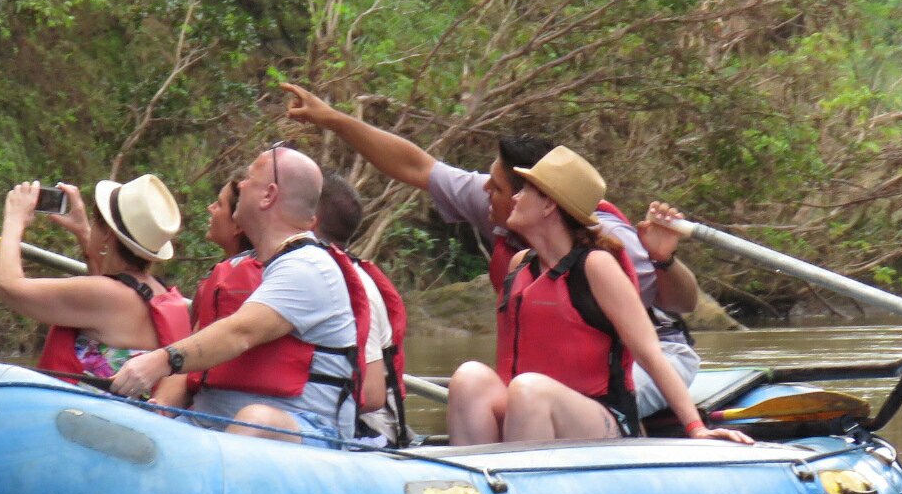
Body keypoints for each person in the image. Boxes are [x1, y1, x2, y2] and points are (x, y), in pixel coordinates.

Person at [281, 83, 706, 426]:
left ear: (543, 201)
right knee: (475, 380)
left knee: (530, 391)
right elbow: (415, 166)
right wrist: (332, 119)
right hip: (542, 383)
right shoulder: (505, 219)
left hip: (641, 365)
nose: (486, 190)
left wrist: (663, 260)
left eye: (498, 186)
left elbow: (679, 307)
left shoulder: (604, 247)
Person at [442, 146, 753, 446]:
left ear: (549, 205)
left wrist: (696, 428)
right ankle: (475, 484)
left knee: (528, 390)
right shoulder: (519, 264)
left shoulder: (596, 265)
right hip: (532, 405)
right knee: (470, 378)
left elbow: (649, 353)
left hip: (602, 418)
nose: (516, 197)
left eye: (526, 191)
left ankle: (527, 488)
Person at [109, 145, 372, 448]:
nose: (241, 185)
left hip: (304, 432)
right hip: (209, 424)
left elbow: (240, 333)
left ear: (268, 195)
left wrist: (160, 360)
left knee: (256, 420)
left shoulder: (309, 267)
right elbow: (203, 347)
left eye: (249, 178)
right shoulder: (247, 267)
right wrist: (160, 409)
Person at [0, 174, 188, 381]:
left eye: (96, 222)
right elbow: (107, 289)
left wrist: (14, 219)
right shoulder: (156, 292)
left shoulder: (106, 295)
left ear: (107, 235)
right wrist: (82, 230)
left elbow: (7, 286)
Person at [315, 174, 410, 446]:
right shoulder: (312, 273)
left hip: (370, 429)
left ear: (311, 219)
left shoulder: (350, 286)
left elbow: (371, 393)